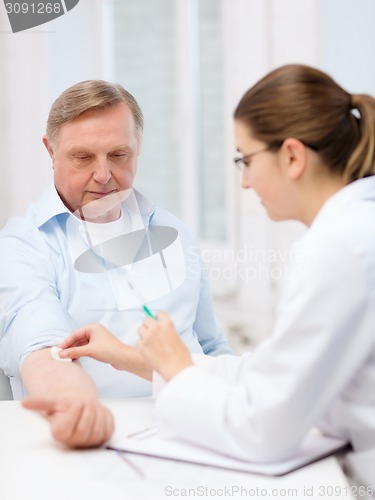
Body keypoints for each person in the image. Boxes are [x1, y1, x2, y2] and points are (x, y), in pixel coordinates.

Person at [55, 64, 375, 465]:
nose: (244, 182)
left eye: (245, 159)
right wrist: (135, 356)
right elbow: (267, 377)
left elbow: (261, 431)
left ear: (292, 156)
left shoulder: (338, 249)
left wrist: (177, 371)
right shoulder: (354, 230)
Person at [0, 80, 231, 448]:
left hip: (195, 430)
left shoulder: (176, 233)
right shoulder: (25, 244)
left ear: (137, 149)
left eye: (119, 155)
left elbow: (211, 345)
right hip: (90, 438)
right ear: (50, 150)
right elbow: (43, 350)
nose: (104, 175)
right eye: (83, 157)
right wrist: (77, 406)